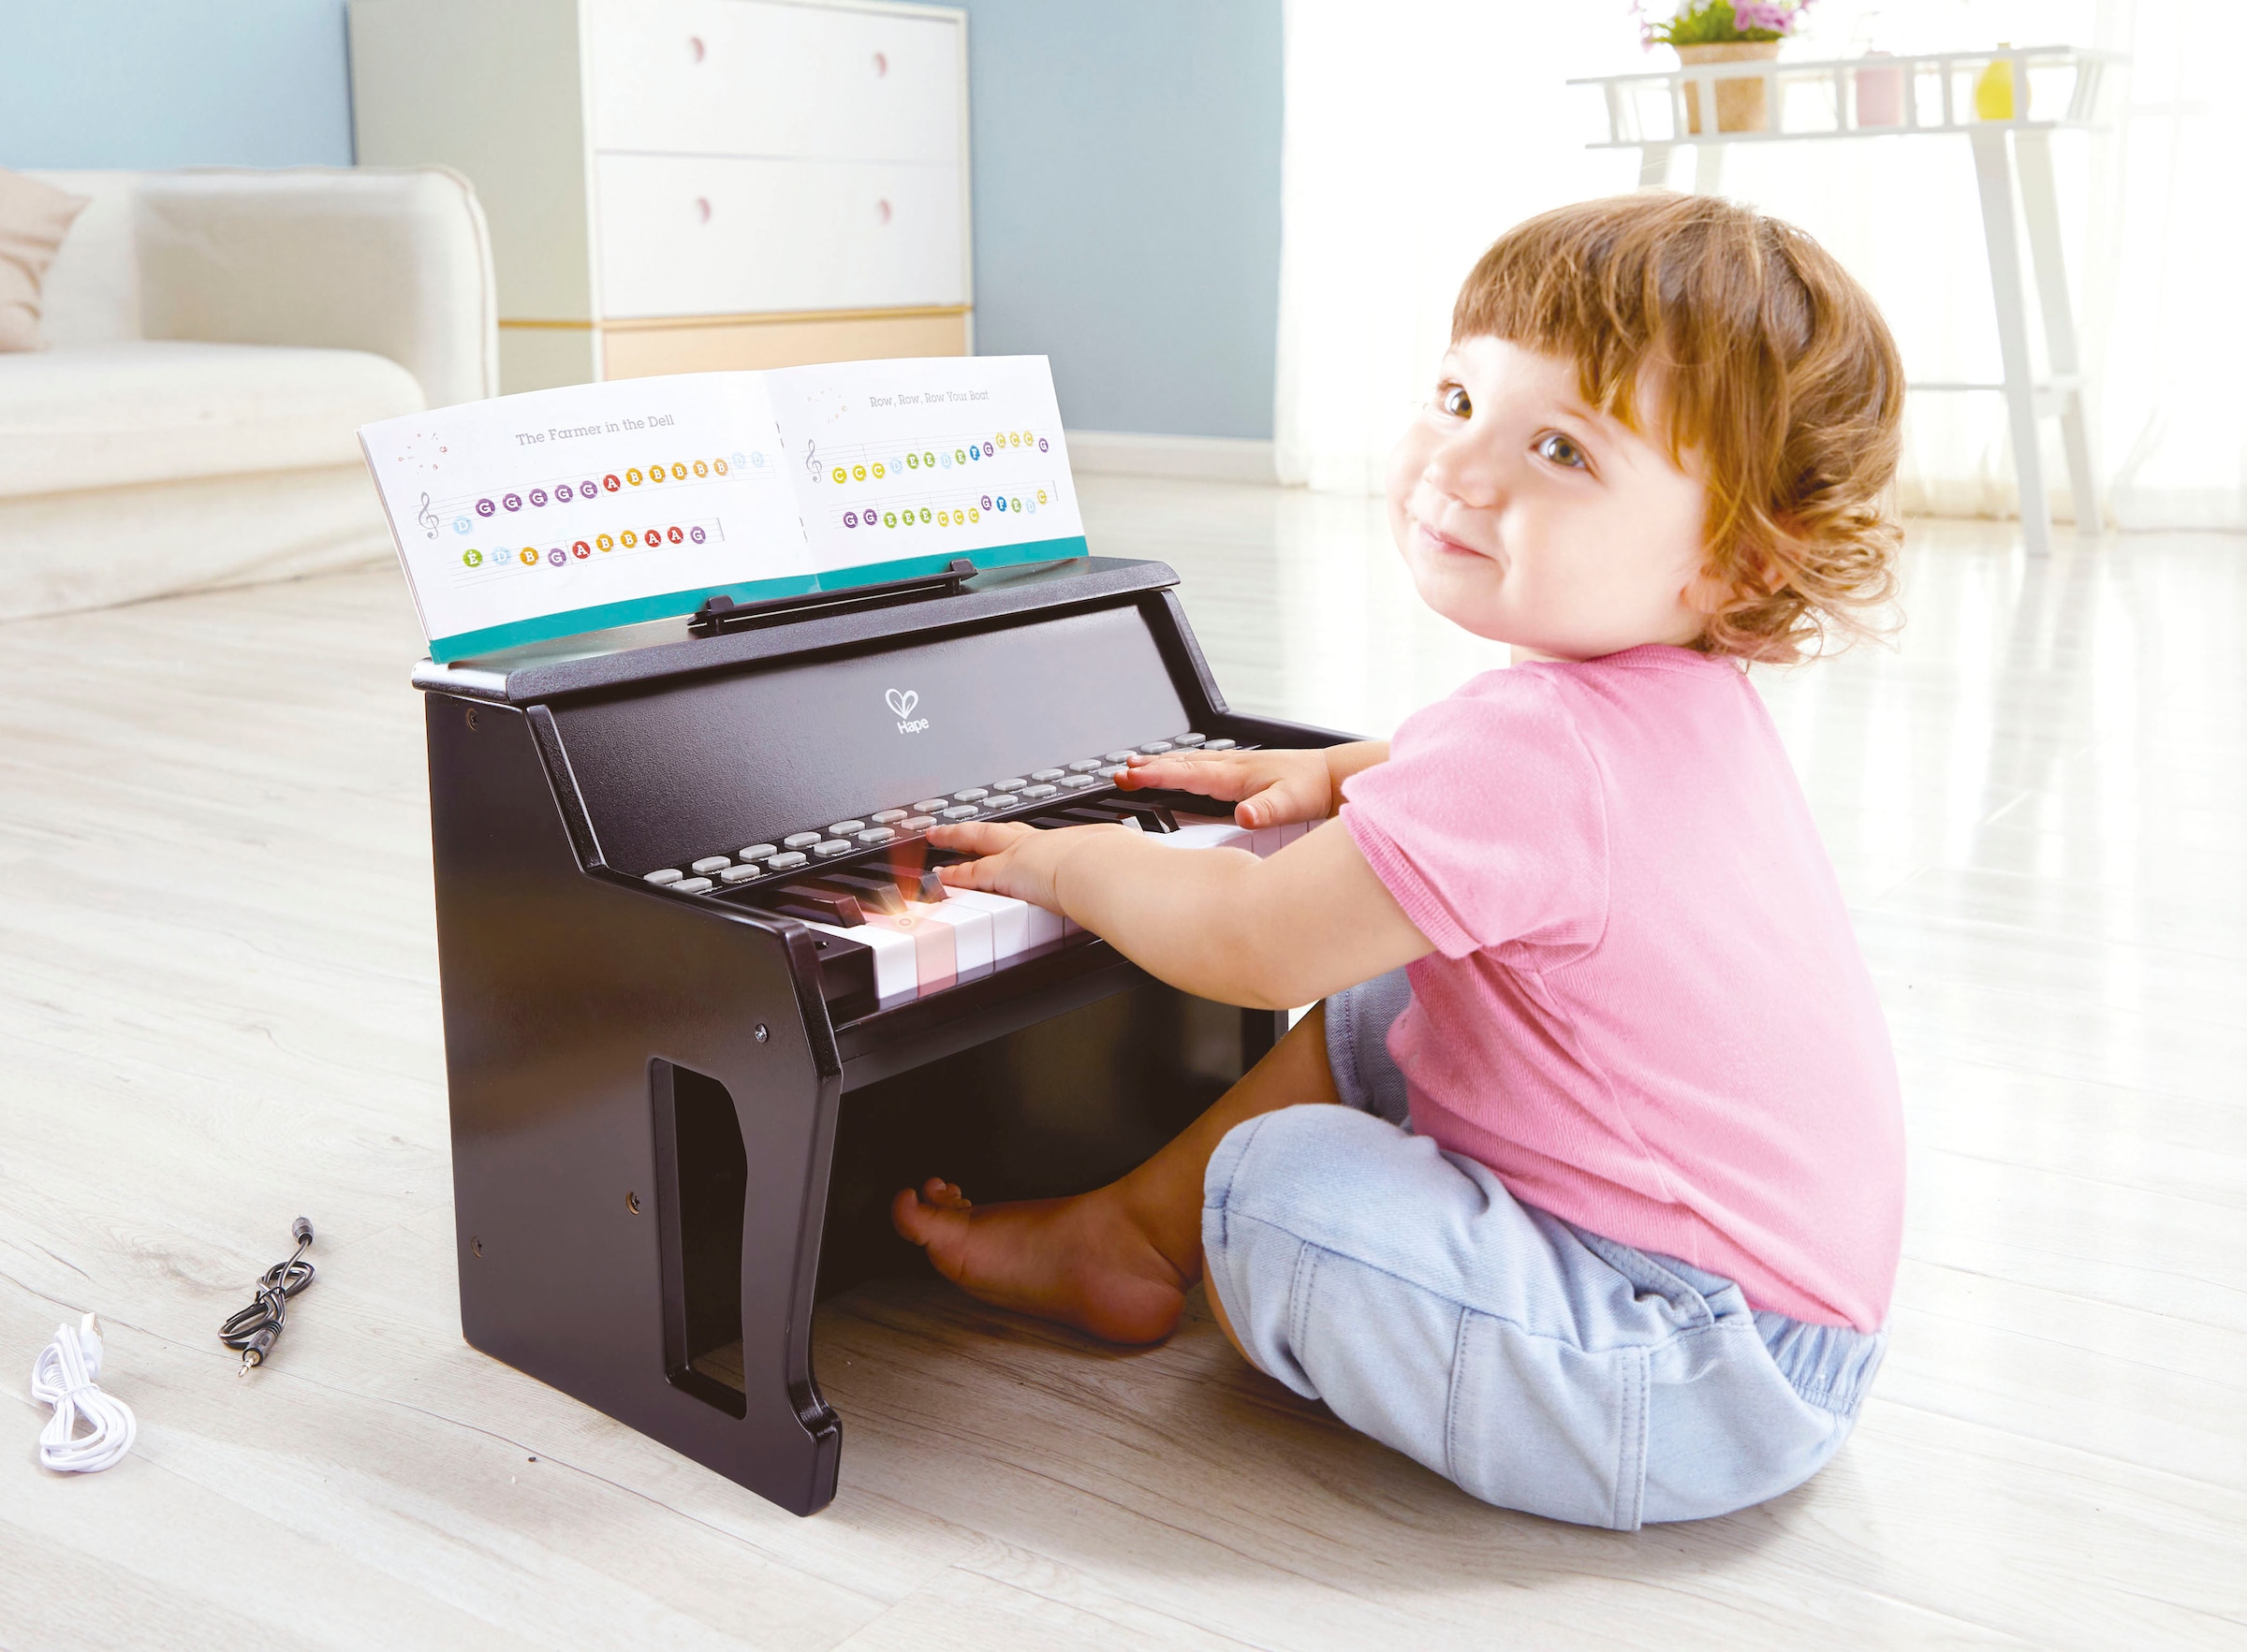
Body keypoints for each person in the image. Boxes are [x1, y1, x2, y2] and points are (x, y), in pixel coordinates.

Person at [896, 192, 1907, 1530]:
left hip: (1676, 1371)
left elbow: (1254, 933)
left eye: (1559, 448)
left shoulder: (1537, 742)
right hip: (1781, 1329)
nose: (1463, 467)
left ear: (1736, 562)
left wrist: (1063, 861)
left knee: (1281, 1195)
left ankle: (1195, 1226)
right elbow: (1551, 827)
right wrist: (1357, 771)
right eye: (1455, 396)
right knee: (1408, 984)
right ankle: (1129, 1231)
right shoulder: (1683, 700)